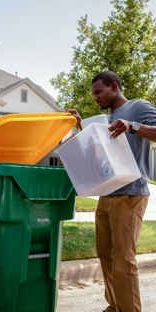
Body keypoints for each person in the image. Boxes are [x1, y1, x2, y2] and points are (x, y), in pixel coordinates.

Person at [68, 71, 156, 312]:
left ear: (114, 86)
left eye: (99, 92)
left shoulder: (138, 107)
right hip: (107, 194)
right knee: (105, 254)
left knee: (123, 258)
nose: (96, 97)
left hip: (130, 193)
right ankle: (115, 306)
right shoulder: (107, 118)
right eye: (93, 94)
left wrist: (133, 126)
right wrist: (80, 124)